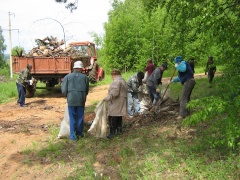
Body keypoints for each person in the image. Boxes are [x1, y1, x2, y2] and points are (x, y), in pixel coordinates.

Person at [61, 61, 89, 141]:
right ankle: (79, 134)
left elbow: (63, 90)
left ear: (74, 68)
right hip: (81, 100)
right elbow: (87, 90)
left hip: (71, 100)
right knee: (80, 117)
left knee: (72, 118)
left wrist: (68, 95)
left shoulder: (67, 77)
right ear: (81, 68)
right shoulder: (85, 78)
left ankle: (73, 136)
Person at [103, 69, 128, 139]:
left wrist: (108, 97)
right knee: (119, 116)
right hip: (122, 100)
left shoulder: (116, 81)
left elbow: (115, 92)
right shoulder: (123, 80)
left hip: (116, 101)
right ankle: (119, 130)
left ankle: (112, 133)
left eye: (112, 76)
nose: (112, 77)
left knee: (112, 116)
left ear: (114, 75)